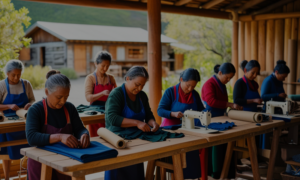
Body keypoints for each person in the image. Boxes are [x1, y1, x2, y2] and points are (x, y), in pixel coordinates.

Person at [26, 70, 90, 180]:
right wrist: (60, 137)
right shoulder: (36, 110)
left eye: (66, 97)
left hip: (65, 161)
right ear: (47, 92)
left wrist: (84, 134)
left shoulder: (69, 108)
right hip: (41, 163)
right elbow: (31, 137)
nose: (63, 101)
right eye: (59, 97)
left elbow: (80, 128)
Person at [104, 66, 159, 180]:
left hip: (135, 139)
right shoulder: (117, 94)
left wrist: (153, 123)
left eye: (143, 85)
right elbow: (112, 118)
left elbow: (148, 115)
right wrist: (137, 123)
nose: (139, 88)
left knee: (135, 171)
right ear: (128, 78)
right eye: (137, 84)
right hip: (116, 140)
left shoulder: (142, 96)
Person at [157, 68, 204, 179]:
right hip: (171, 131)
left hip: (188, 131)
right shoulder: (170, 92)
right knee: (175, 161)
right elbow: (160, 110)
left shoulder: (195, 94)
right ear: (181, 79)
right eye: (188, 85)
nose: (190, 89)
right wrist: (173, 114)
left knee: (192, 156)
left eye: (193, 86)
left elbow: (202, 110)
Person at [201, 63, 241, 179]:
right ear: (219, 73)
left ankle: (226, 171)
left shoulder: (222, 84)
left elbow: (223, 101)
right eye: (227, 77)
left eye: (230, 78)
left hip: (221, 119)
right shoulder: (209, 84)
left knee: (225, 145)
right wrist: (230, 104)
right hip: (211, 120)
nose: (228, 80)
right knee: (216, 148)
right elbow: (211, 101)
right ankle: (216, 173)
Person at [0, 60, 34, 180]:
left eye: (19, 75)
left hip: (24, 122)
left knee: (31, 150)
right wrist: (8, 106)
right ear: (7, 74)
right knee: (6, 153)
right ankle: (7, 177)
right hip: (7, 124)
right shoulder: (2, 85)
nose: (16, 77)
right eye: (13, 75)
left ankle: (30, 175)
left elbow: (33, 100)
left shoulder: (26, 84)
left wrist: (30, 105)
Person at [85, 51, 117, 137]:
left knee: (110, 136)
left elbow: (117, 94)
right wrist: (102, 93)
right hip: (95, 111)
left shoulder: (111, 78)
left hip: (108, 110)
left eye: (107, 66)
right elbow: (88, 98)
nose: (105, 68)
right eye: (103, 66)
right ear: (96, 63)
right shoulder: (90, 78)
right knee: (96, 137)